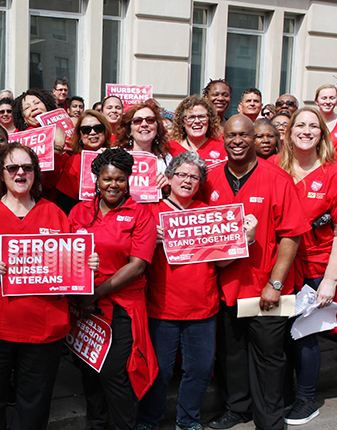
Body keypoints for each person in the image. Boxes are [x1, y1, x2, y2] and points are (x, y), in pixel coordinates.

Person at [0, 142, 98, 430]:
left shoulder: (55, 214)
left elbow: (71, 265)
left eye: (27, 167)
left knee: (34, 402)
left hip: (43, 330)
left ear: (36, 174)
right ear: (1, 175)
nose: (20, 172)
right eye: (12, 167)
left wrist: (87, 264)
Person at [204, 115, 308, 430]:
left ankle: (269, 420)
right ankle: (238, 408)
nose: (237, 141)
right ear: (223, 138)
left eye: (244, 135)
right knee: (232, 357)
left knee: (269, 359)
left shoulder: (277, 179)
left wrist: (275, 283)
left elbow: (291, 235)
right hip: (224, 288)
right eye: (231, 135)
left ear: (256, 138)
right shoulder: (210, 179)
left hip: (267, 289)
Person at [140, 151, 256, 430]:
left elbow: (223, 260)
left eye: (194, 177)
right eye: (182, 174)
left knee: (200, 371)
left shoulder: (210, 214)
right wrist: (149, 242)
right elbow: (131, 259)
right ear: (168, 178)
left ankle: (188, 421)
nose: (188, 181)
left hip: (203, 308)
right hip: (161, 308)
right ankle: (149, 422)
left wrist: (246, 240)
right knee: (160, 372)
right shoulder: (149, 212)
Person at [276, 107, 337, 425]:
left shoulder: (335, 175)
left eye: (314, 126)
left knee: (305, 335)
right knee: (279, 335)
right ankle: (281, 395)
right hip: (279, 269)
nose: (307, 130)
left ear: (322, 134)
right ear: (290, 131)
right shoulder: (273, 168)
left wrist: (329, 280)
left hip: (315, 268)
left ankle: (305, 399)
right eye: (301, 124)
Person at [68, 148, 156, 430]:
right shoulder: (79, 211)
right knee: (89, 371)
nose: (113, 185)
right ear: (97, 179)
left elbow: (137, 265)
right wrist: (82, 297)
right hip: (84, 306)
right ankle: (96, 424)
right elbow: (67, 256)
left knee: (114, 374)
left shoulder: (141, 213)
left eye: (120, 179)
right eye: (107, 179)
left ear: (128, 179)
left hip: (121, 306)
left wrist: (96, 293)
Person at [57, 110, 113, 211]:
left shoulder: (117, 155)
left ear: (105, 131)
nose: (93, 132)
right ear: (80, 135)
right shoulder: (74, 162)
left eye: (98, 128)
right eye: (86, 130)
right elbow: (66, 204)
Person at [114, 100, 172, 180]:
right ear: (129, 130)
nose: (144, 124)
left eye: (150, 120)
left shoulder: (167, 160)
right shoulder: (115, 156)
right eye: (137, 120)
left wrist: (167, 188)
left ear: (157, 128)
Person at [169, 95, 226, 170]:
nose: (197, 121)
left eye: (202, 116)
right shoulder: (170, 148)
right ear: (182, 122)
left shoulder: (222, 145)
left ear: (209, 120)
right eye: (191, 117)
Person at [314, 84, 337, 158]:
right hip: (313, 168)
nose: (328, 102)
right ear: (316, 101)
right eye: (324, 98)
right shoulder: (310, 122)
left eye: (332, 98)